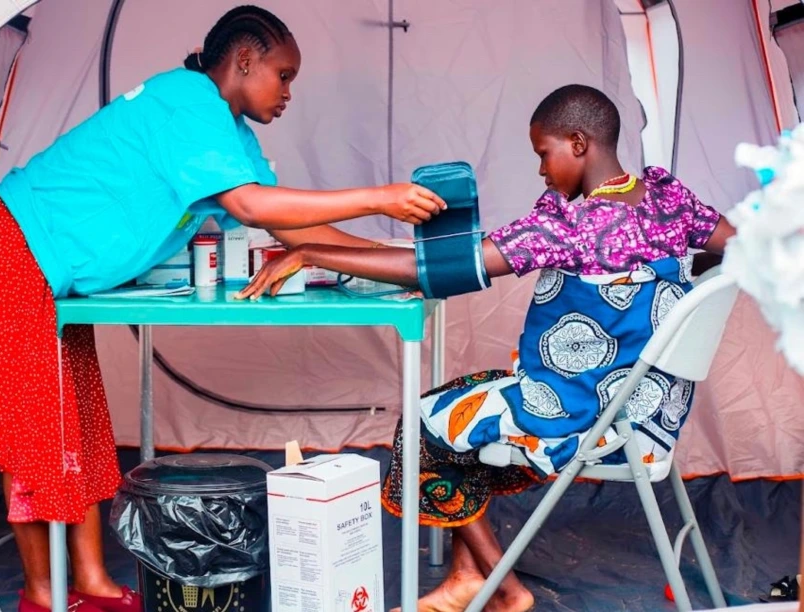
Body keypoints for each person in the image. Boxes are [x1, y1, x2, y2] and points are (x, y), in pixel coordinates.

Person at [0, 6, 447, 612]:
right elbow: (251, 208)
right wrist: (380, 196)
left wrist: (403, 264)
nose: (289, 93)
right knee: (38, 434)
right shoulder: (187, 101)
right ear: (244, 61)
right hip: (8, 245)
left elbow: (292, 224)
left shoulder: (227, 132)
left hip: (45, 266)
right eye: (284, 75)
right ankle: (44, 596)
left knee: (78, 424)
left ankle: (89, 583)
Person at [238, 84, 736, 612]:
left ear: (578, 142)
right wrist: (673, 286)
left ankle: (504, 589)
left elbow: (432, 271)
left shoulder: (568, 225)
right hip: (649, 414)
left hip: (583, 416)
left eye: (544, 155)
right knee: (464, 401)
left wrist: (311, 251)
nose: (542, 172)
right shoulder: (668, 197)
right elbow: (734, 245)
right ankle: (464, 577)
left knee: (422, 424)